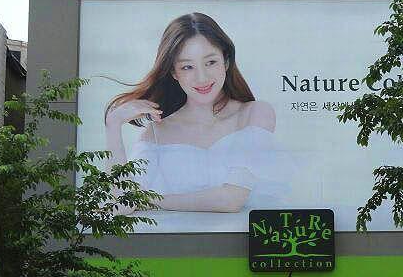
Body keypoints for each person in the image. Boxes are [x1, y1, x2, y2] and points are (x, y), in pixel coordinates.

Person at [104, 12, 278, 214]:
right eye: (187, 67)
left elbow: (231, 200)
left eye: (210, 62)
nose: (201, 77)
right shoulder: (157, 131)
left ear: (226, 61)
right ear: (174, 73)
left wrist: (149, 199)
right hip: (177, 245)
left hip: (243, 243)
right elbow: (120, 205)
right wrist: (113, 126)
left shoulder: (255, 114)